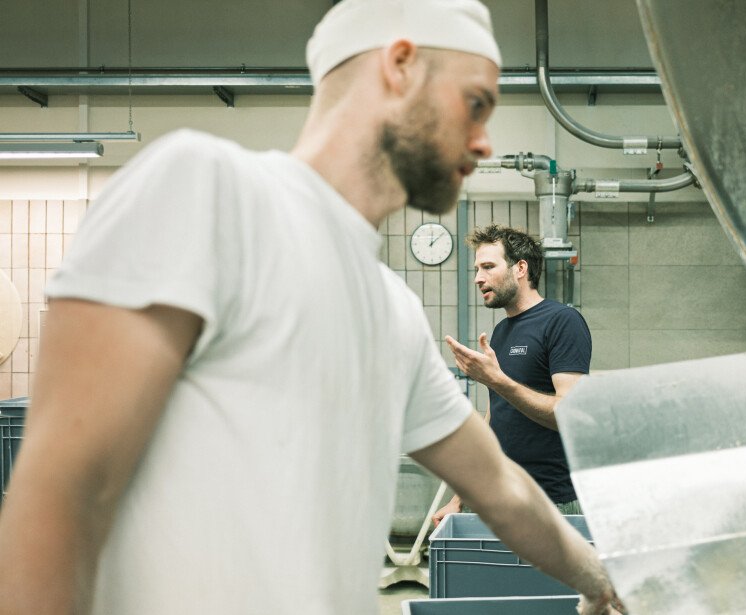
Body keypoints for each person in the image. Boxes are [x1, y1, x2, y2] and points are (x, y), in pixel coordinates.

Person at [0, 1, 625, 614]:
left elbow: (502, 488)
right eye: (476, 105)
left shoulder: (393, 311)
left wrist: (601, 579)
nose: (485, 144)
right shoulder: (206, 191)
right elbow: (62, 493)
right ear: (400, 66)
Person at [433, 224, 592, 525]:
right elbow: (495, 418)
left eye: (488, 267)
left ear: (520, 268)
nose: (478, 278)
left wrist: (497, 380)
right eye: (477, 269)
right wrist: (459, 499)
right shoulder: (501, 331)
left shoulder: (562, 321)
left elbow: (569, 413)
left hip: (550, 503)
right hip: (501, 497)